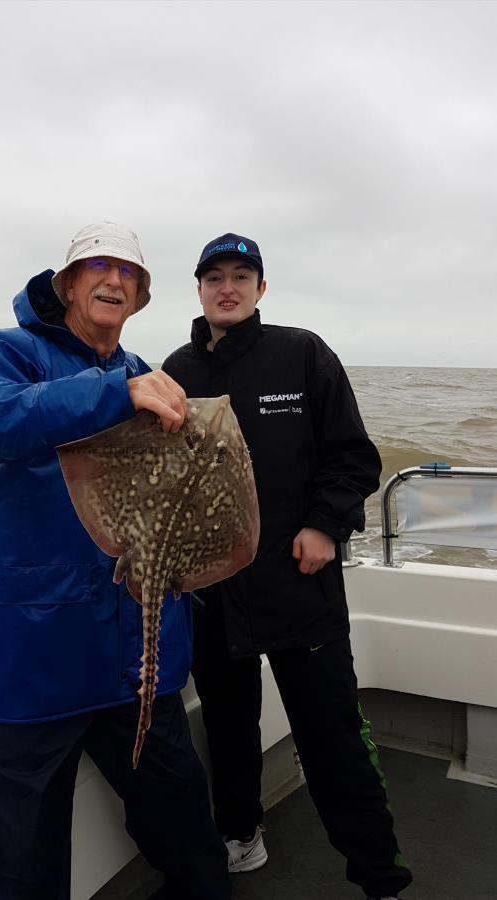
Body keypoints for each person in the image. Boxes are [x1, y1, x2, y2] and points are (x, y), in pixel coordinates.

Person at [0, 222, 230, 900]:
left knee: (186, 830)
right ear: (66, 283)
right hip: (23, 661)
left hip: (132, 658)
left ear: (141, 297)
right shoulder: (6, 353)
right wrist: (110, 396)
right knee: (22, 865)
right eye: (97, 266)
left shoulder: (142, 374)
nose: (114, 279)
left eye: (130, 273)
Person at [162, 232, 413, 900]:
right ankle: (240, 833)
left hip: (298, 579)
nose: (227, 287)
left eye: (241, 276)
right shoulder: (175, 370)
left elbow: (354, 455)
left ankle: (377, 874)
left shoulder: (300, 353)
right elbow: (162, 477)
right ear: (199, 289)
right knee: (227, 722)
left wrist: (323, 525)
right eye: (214, 276)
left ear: (260, 289)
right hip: (213, 587)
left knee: (330, 732)